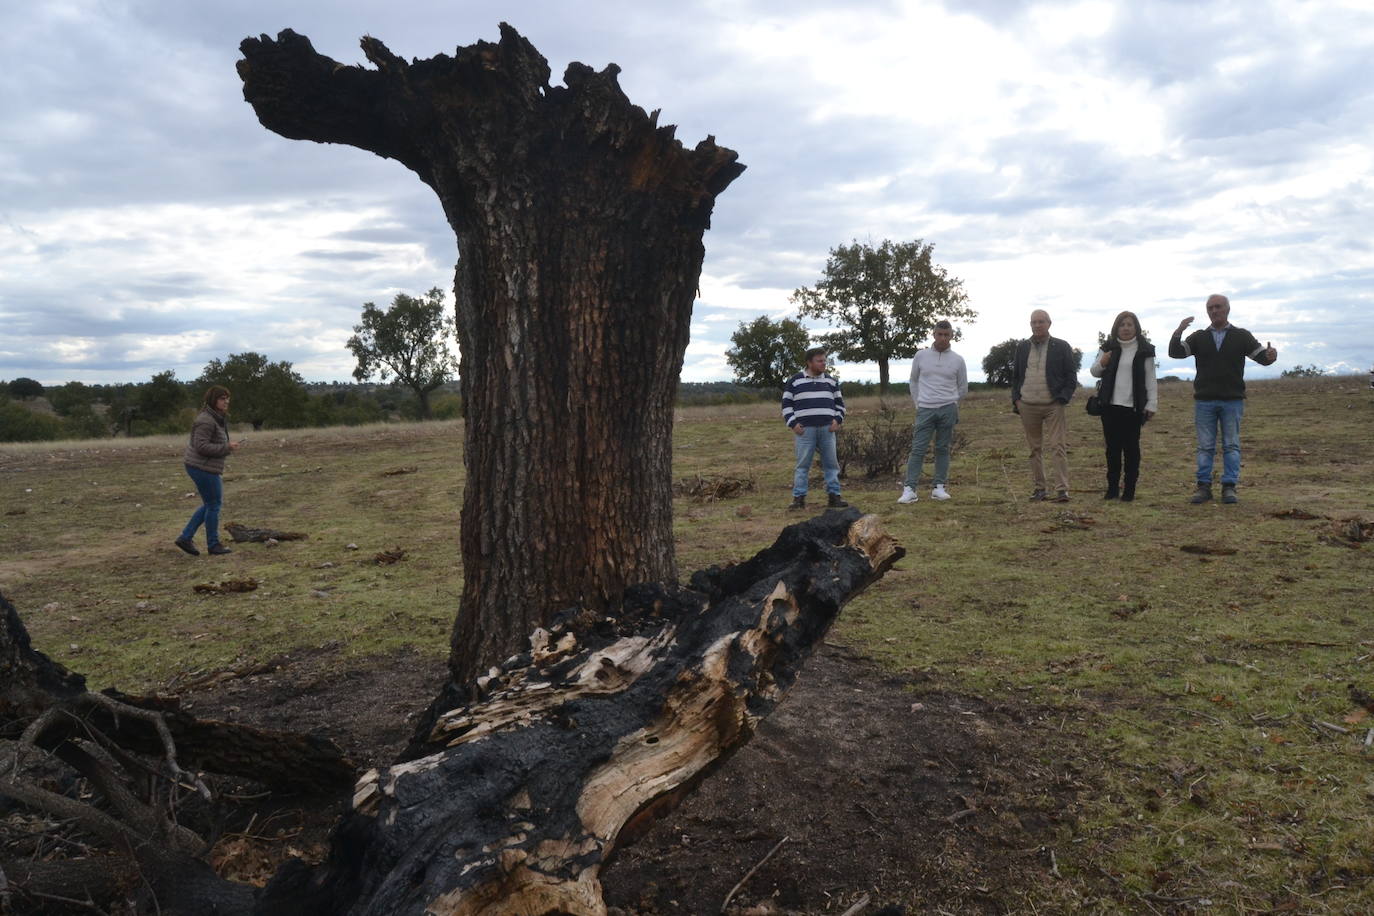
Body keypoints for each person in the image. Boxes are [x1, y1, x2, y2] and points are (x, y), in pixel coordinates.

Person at [1169, 294, 1277, 504]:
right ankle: (1203, 487)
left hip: (1232, 401)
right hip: (1204, 401)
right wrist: (1179, 331)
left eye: (1218, 307)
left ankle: (1229, 487)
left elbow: (1263, 358)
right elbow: (1175, 353)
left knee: (1231, 445)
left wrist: (1271, 355)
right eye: (1210, 308)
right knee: (1205, 447)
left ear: (1228, 309)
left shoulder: (1241, 336)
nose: (1214, 311)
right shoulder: (1198, 337)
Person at [1089, 311, 1158, 502]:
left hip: (1133, 408)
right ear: (1116, 328)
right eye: (1122, 324)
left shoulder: (1145, 349)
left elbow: (1151, 378)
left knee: (1131, 451)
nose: (1126, 328)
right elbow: (1094, 372)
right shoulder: (1108, 347)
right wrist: (1103, 362)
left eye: (1130, 324)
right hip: (1110, 407)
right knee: (1112, 450)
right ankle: (1112, 489)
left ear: (1136, 327)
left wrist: (1152, 403)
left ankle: (1129, 491)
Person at [1011, 309, 1077, 502]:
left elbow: (1071, 376)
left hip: (1053, 405)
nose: (1037, 325)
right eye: (1034, 322)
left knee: (1058, 446)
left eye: (1041, 322)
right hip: (1027, 405)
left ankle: (1062, 490)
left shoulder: (1062, 346)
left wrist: (1062, 398)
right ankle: (1040, 489)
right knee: (1034, 449)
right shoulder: (1022, 347)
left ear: (1049, 323)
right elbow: (1016, 376)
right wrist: (1017, 400)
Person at [899, 320, 968, 503]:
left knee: (942, 448)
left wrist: (951, 402)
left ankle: (939, 487)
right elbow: (913, 381)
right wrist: (918, 403)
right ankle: (909, 489)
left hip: (948, 409)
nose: (942, 338)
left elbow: (963, 387)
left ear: (951, 336)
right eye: (939, 334)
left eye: (946, 335)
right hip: (925, 408)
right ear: (934, 334)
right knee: (918, 449)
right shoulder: (920, 356)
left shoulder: (958, 360)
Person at [175, 385, 242, 556]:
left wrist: (226, 447)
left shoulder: (215, 417)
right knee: (214, 505)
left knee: (210, 504)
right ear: (213, 400)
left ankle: (186, 537)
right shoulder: (206, 420)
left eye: (227, 398)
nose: (226, 401)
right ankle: (213, 545)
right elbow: (201, 446)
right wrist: (226, 447)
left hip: (204, 466)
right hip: (202, 467)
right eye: (222, 398)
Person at [782, 346, 847, 511]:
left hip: (827, 429)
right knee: (803, 466)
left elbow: (840, 405)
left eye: (824, 360)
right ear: (809, 362)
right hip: (805, 431)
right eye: (819, 361)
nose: (823, 363)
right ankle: (799, 499)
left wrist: (837, 421)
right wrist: (793, 424)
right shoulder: (795, 381)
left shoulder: (831, 382)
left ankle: (834, 497)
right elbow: (786, 405)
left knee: (831, 465)